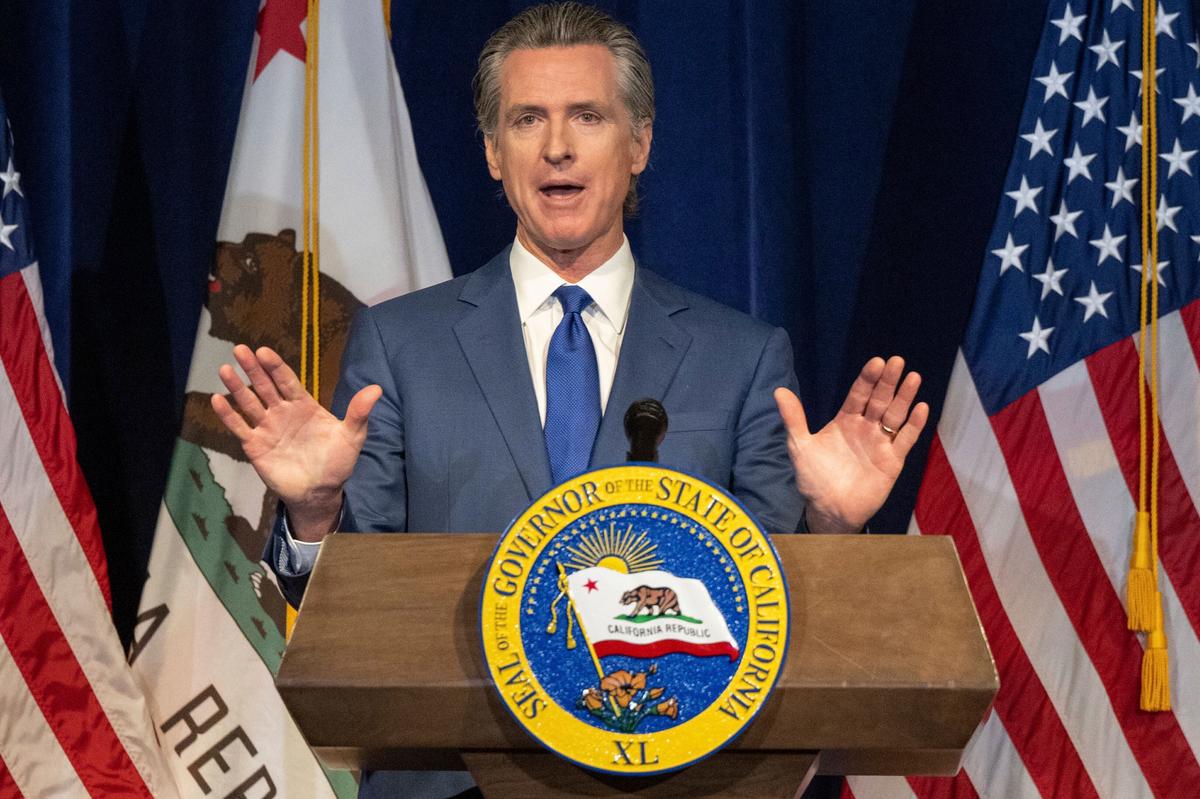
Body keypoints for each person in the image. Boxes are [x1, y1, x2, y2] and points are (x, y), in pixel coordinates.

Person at [212, 4, 927, 797]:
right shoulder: (401, 345)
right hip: (455, 781)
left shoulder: (743, 358)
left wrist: (831, 526)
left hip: (678, 780)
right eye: (527, 120)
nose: (557, 146)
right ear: (491, 152)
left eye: (587, 116)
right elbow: (351, 612)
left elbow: (771, 613)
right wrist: (314, 514)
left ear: (640, 144)